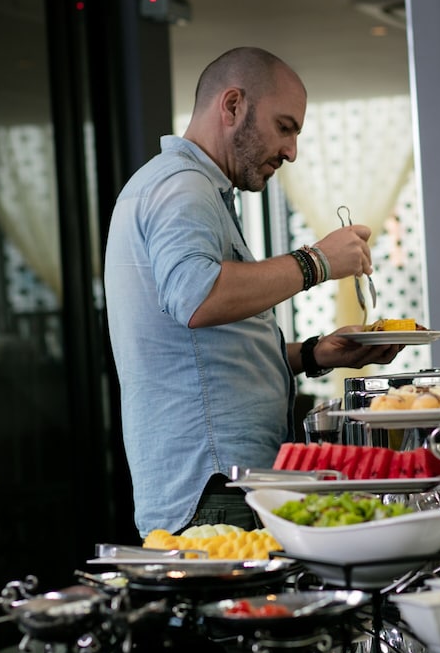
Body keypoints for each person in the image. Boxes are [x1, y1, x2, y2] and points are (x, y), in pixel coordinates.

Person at [104, 46, 403, 539]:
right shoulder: (182, 188)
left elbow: (211, 353)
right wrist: (318, 261)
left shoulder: (189, 187)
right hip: (213, 489)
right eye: (284, 127)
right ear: (232, 105)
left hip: (219, 485)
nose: (291, 151)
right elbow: (197, 298)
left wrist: (315, 353)